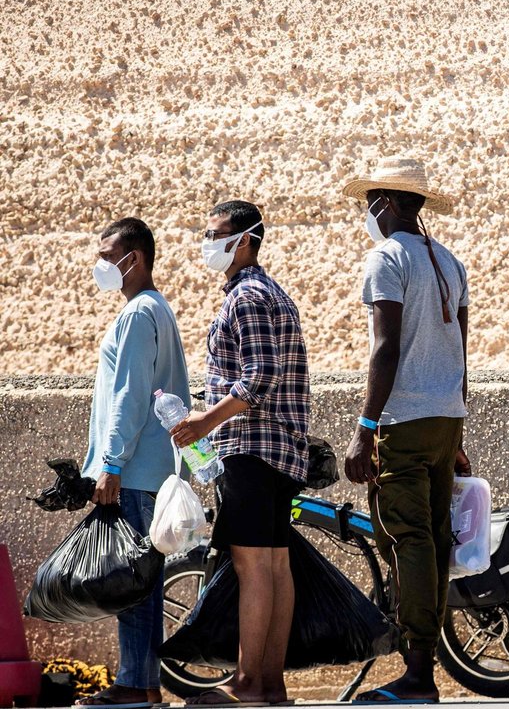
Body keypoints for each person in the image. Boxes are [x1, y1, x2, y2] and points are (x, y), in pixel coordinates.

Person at [340, 157, 472, 704]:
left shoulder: (385, 258)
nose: (367, 211)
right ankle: (423, 666)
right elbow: (462, 353)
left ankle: (419, 676)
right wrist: (458, 435)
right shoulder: (449, 261)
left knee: (409, 539)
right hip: (445, 422)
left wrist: (364, 428)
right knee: (435, 541)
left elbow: (385, 348)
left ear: (389, 203)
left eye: (371, 200)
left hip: (404, 422)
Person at [171, 200, 311, 706]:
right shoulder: (272, 294)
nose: (209, 243)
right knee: (274, 565)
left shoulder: (247, 297)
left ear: (246, 240)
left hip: (252, 450)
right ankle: (271, 684)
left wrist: (205, 420)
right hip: (280, 451)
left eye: (217, 235)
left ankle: (248, 683)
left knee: (253, 566)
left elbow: (258, 377)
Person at [75, 218, 189, 709]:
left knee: (133, 584)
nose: (101, 265)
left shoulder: (140, 313)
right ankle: (143, 686)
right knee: (141, 582)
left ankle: (133, 685)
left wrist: (112, 463)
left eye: (108, 256)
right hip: (148, 471)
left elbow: (129, 395)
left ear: (134, 259)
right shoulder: (153, 309)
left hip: (136, 473)